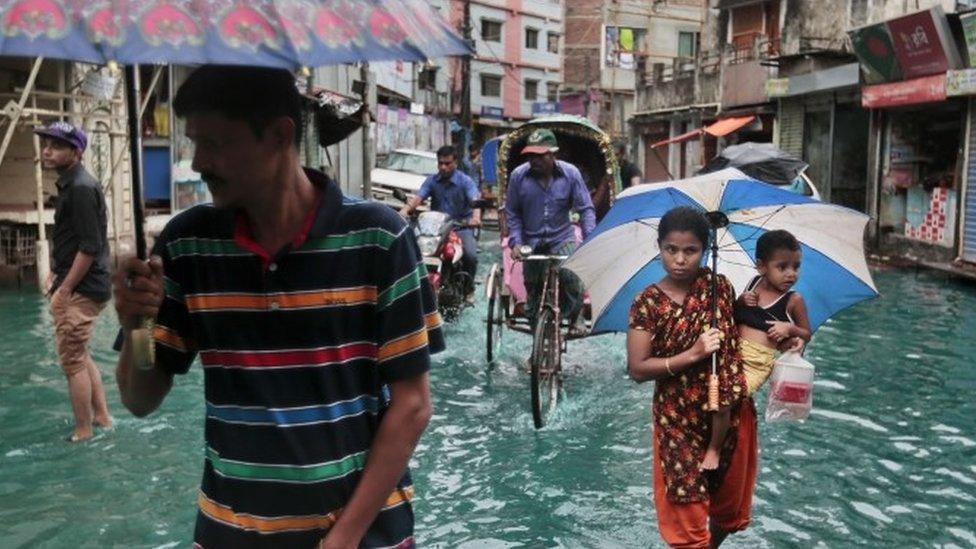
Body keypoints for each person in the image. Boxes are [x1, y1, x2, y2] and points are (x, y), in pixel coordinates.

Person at [113, 65, 443, 548]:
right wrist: (136, 325)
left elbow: (412, 405)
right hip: (230, 534)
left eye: (215, 144)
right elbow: (139, 401)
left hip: (365, 536)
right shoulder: (188, 245)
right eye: (194, 143)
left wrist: (343, 538)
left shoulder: (379, 238)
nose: (198, 162)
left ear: (279, 135)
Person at [626, 206, 755, 549]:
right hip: (677, 420)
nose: (680, 259)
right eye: (671, 249)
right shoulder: (647, 303)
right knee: (686, 514)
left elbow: (740, 335)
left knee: (727, 511)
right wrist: (692, 355)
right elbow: (638, 368)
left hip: (726, 411)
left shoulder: (720, 289)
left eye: (690, 251)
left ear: (704, 250)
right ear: (660, 247)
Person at [702, 229, 812, 470]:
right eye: (782, 267)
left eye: (796, 266)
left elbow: (806, 332)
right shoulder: (752, 286)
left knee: (725, 399)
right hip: (732, 352)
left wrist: (789, 329)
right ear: (761, 267)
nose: (791, 274)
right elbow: (734, 314)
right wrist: (740, 301)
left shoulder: (794, 300)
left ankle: (714, 449)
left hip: (757, 363)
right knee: (704, 387)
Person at [36, 121, 113, 443]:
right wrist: (57, 271)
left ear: (76, 152)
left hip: (81, 287)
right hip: (82, 282)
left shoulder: (80, 187)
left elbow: (89, 246)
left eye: (55, 145)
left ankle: (83, 431)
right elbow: (76, 240)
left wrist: (65, 288)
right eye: (46, 144)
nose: (46, 150)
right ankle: (102, 418)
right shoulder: (74, 184)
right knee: (80, 354)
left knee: (71, 361)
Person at [504, 128, 595, 335]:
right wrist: (516, 242)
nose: (533, 160)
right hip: (531, 240)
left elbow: (586, 208)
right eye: (530, 156)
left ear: (552, 154)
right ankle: (536, 342)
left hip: (561, 237)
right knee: (533, 291)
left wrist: (590, 238)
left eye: (539, 155)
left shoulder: (570, 174)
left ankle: (575, 315)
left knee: (572, 276)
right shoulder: (518, 176)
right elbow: (513, 213)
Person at [399, 145, 481, 303]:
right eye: (440, 163)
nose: (443, 167)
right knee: (411, 251)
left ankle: (469, 289)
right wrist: (405, 210)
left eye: (447, 163)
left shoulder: (466, 182)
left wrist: (475, 218)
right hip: (436, 230)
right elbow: (419, 197)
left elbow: (475, 200)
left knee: (470, 255)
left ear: (455, 162)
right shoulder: (432, 180)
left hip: (461, 228)